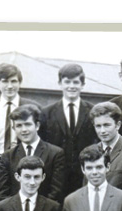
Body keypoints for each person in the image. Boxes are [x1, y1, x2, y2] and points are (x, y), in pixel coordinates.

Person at [39, 63, 98, 197]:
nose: (71, 86)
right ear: (60, 83)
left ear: (82, 85)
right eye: (67, 82)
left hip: (85, 175)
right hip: (55, 177)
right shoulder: (46, 113)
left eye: (76, 82)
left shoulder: (93, 112)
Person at [0, 104, 67, 204]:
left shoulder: (55, 153)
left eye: (28, 124)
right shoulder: (8, 156)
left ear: (37, 126)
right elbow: (2, 193)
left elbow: (56, 191)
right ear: (14, 129)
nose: (24, 130)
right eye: (19, 126)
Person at [83, 101, 122, 203]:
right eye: (98, 126)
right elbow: (86, 190)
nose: (102, 131)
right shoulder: (90, 151)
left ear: (117, 125)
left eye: (106, 125)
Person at [0, 63, 38, 157]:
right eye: (5, 81)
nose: (10, 86)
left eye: (13, 81)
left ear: (20, 83)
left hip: (24, 162)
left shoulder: (33, 107)